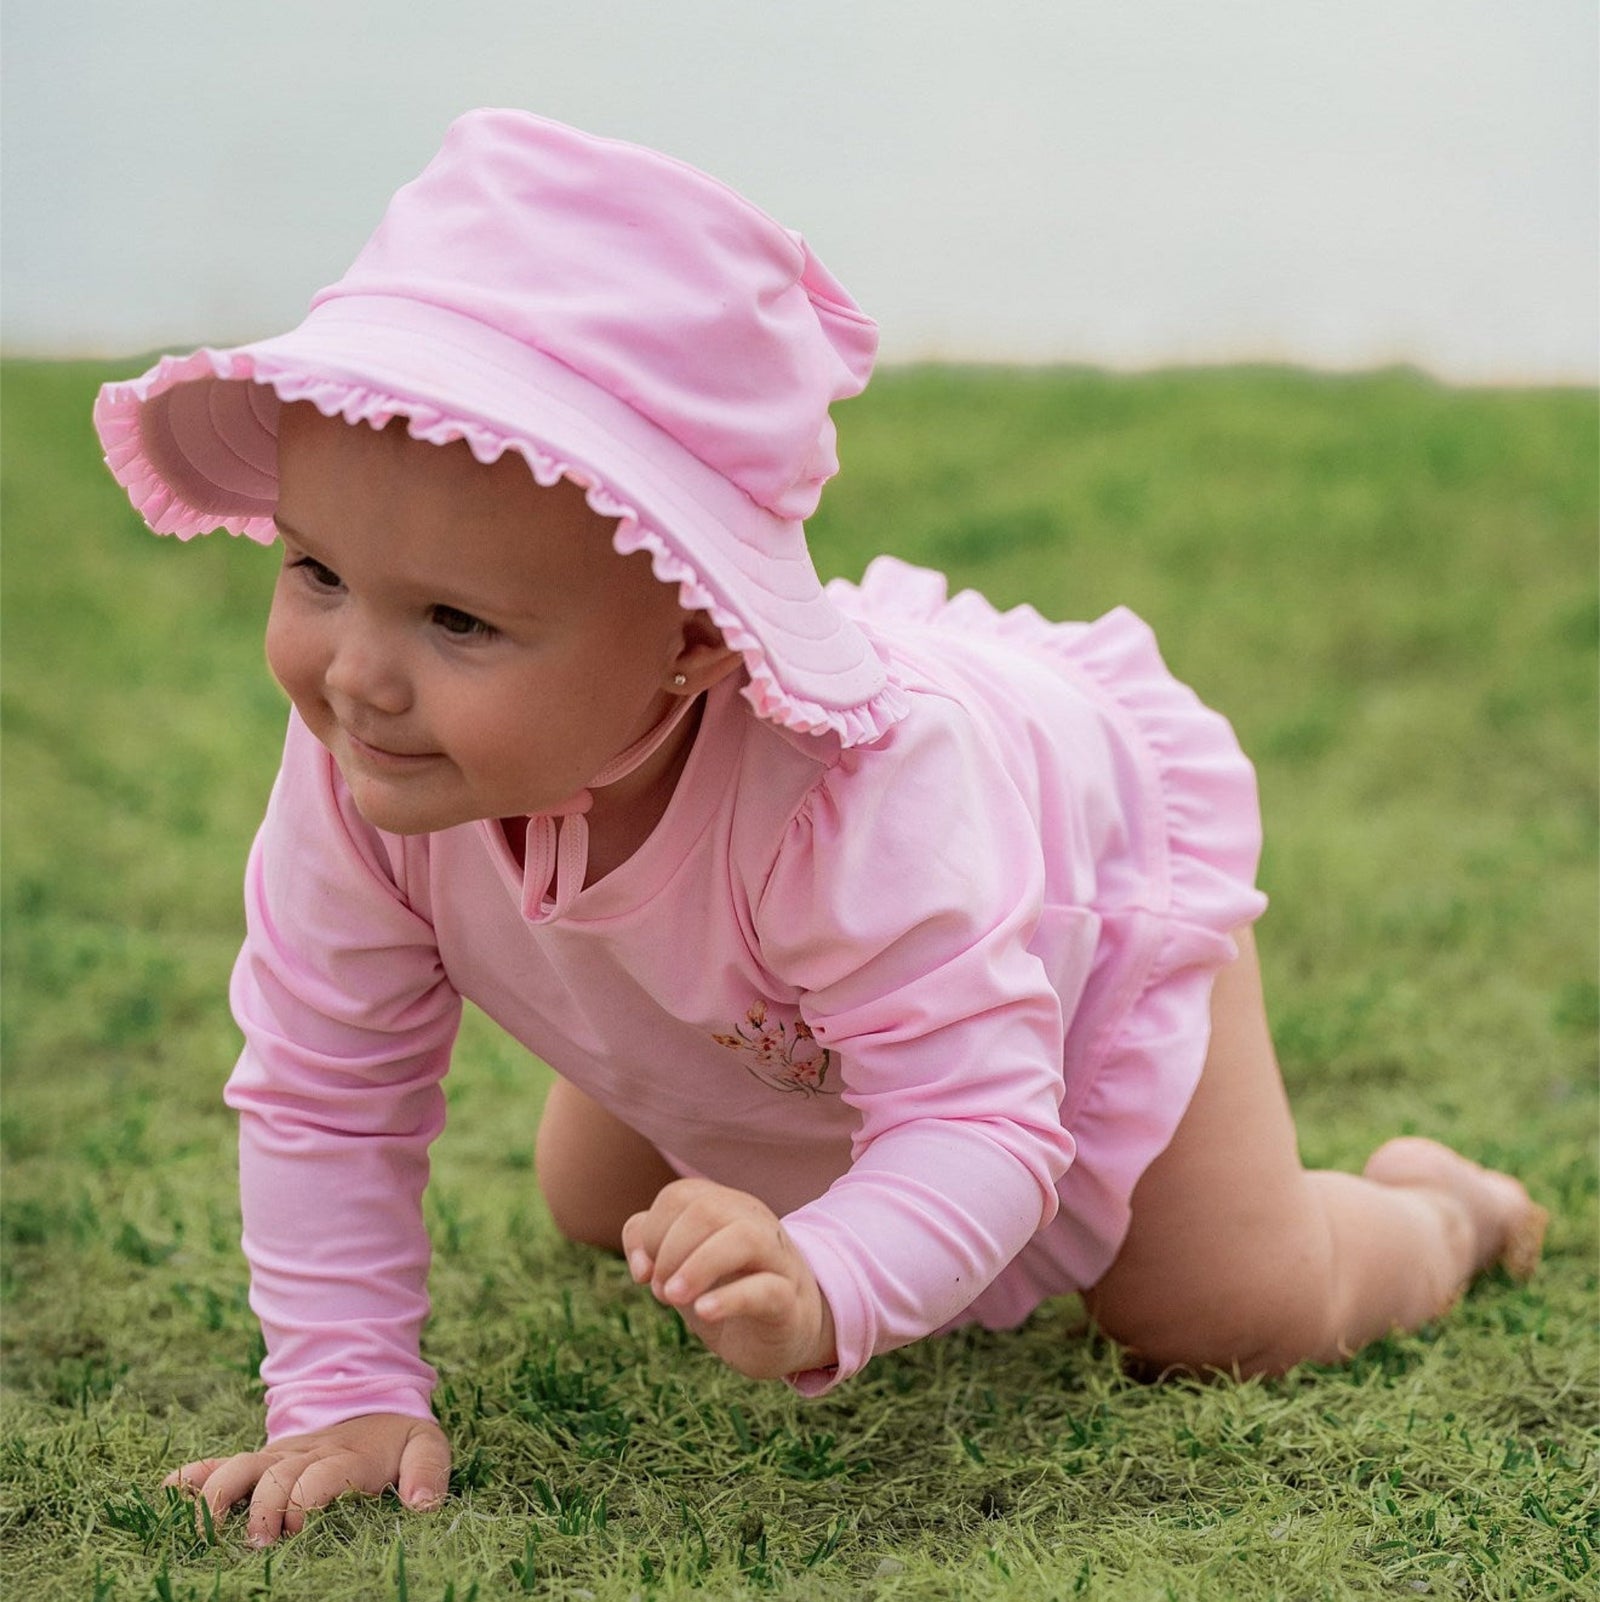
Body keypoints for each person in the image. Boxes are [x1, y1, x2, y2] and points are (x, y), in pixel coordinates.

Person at [93, 109, 1546, 1549]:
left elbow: (977, 1122)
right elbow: (322, 1083)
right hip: (751, 984)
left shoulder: (857, 801)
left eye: (457, 619)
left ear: (698, 641)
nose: (355, 672)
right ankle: (718, 1071)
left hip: (1059, 920)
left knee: (1224, 1309)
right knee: (594, 1197)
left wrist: (827, 1276)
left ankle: (1438, 1212)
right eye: (317, 570)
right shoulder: (366, 755)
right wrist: (343, 1385)